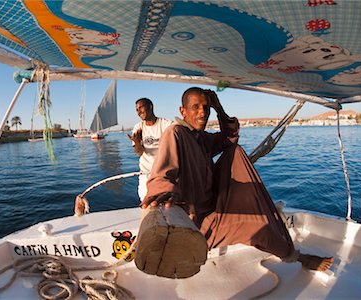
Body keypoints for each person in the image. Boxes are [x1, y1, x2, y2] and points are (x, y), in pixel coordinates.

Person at [142, 87, 334, 271]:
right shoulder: (176, 133)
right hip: (200, 223)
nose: (202, 113)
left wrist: (218, 108)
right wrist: (163, 193)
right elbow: (162, 173)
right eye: (196, 107)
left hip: (213, 204)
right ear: (182, 111)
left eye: (205, 107)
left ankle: (256, 212)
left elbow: (230, 137)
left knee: (235, 151)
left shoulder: (200, 138)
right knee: (261, 226)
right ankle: (297, 257)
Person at [127, 98, 172, 200]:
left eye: (141, 107)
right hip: (146, 173)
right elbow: (139, 153)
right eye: (137, 110)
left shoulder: (166, 124)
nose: (139, 112)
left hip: (165, 174)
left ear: (150, 106)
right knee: (145, 201)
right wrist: (137, 143)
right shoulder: (138, 127)